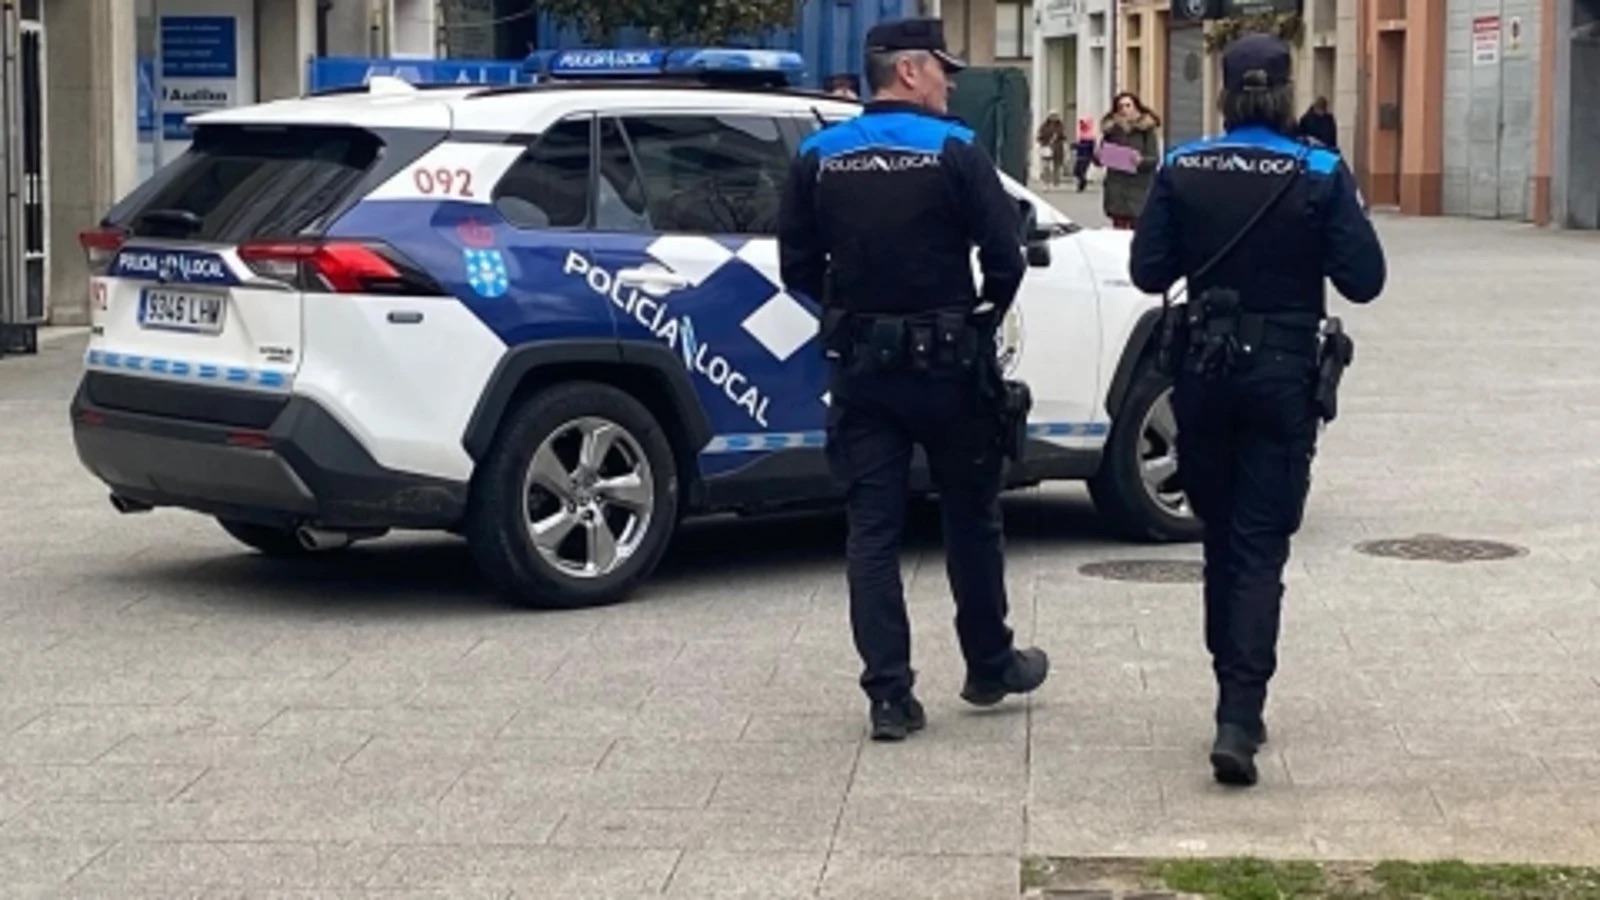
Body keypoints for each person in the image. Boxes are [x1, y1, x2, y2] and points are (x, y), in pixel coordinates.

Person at [777, 16, 1049, 742]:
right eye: (942, 69)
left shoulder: (818, 154)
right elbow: (1006, 255)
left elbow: (796, 267)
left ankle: (889, 696)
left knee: (872, 531)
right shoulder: (956, 147)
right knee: (971, 516)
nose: (950, 81)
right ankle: (989, 663)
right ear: (908, 71)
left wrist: (851, 315)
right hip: (950, 366)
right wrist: (978, 318)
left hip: (864, 367)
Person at [1127, 34, 1386, 786]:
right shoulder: (1319, 170)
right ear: (1283, 94)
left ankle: (1230, 692)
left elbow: (1148, 271)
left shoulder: (1183, 166)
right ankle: (1239, 713)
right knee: (1261, 544)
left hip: (1202, 373)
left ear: (1225, 94)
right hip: (1280, 371)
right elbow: (1364, 279)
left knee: (1220, 537)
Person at [1099, 92, 1162, 229]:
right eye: (1120, 106)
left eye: (1128, 105)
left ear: (1136, 108)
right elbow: (1101, 157)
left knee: (1137, 232)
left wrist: (1140, 161)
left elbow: (1154, 159)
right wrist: (1098, 155)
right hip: (1117, 188)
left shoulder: (1146, 130)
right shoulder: (1112, 131)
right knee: (1118, 233)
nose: (1124, 110)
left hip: (1139, 188)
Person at [1036, 111, 1067, 187]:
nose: (1054, 117)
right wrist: (1042, 142)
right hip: (1046, 147)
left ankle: (1056, 181)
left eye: (1055, 116)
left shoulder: (1060, 125)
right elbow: (1040, 136)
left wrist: (1061, 140)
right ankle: (1047, 181)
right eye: (1052, 115)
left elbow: (1063, 136)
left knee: (1057, 165)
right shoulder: (1044, 125)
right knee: (1046, 166)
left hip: (1057, 148)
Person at [1071, 116, 1097, 192]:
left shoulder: (1090, 135)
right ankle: (1082, 183)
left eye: (1083, 124)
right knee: (1076, 171)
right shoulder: (1082, 134)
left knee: (1081, 171)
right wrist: (1076, 146)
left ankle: (1081, 185)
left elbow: (1090, 147)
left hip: (1086, 156)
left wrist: (1078, 146)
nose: (1082, 125)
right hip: (1080, 155)